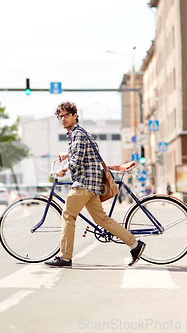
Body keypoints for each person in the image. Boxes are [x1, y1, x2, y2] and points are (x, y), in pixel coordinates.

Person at [45, 102, 145, 267]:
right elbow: (84, 153)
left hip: (84, 183)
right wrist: (68, 153)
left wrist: (63, 169)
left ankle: (65, 257)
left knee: (68, 215)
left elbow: (77, 160)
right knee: (102, 219)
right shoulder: (82, 133)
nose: (63, 119)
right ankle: (135, 245)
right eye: (60, 116)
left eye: (66, 115)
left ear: (74, 115)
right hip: (93, 183)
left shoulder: (77, 133)